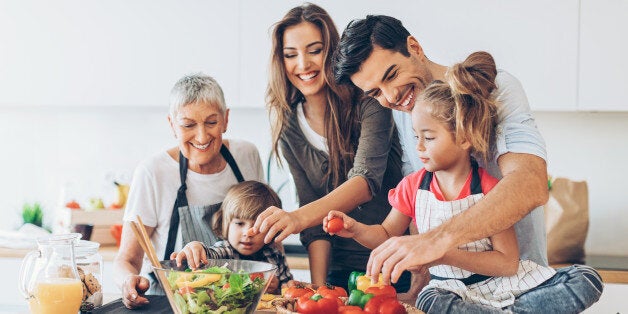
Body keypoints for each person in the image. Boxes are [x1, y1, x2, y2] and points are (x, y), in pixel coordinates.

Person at [325, 51, 601, 313]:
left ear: (464, 137)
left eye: (429, 138)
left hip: (507, 286)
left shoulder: (492, 190)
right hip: (453, 291)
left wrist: (443, 252)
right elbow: (386, 235)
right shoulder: (413, 187)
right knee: (432, 300)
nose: (418, 147)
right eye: (416, 136)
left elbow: (506, 263)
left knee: (586, 279)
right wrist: (356, 229)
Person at [333, 14, 548, 283]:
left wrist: (438, 242)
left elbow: (530, 183)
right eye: (375, 93)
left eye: (392, 75)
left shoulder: (498, 89)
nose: (390, 97)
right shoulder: (405, 110)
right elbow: (418, 208)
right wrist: (418, 287)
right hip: (450, 289)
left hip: (521, 282)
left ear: (414, 47)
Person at [251, 3, 410, 292]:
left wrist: (295, 218)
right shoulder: (289, 126)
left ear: (332, 52)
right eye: (291, 55)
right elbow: (313, 222)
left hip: (392, 264)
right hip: (337, 271)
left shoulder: (370, 101)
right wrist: (318, 288)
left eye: (314, 50)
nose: (303, 64)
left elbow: (365, 181)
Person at [113, 73, 264, 309]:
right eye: (188, 125)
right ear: (172, 125)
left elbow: (266, 232)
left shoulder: (246, 156)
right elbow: (127, 259)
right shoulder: (153, 173)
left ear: (226, 119)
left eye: (211, 122)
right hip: (171, 304)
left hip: (236, 303)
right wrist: (127, 282)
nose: (202, 136)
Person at [171, 180, 293, 295]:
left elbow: (289, 288)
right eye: (239, 224)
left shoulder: (275, 254)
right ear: (225, 224)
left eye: (258, 227)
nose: (248, 233)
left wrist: (278, 287)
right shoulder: (225, 250)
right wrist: (196, 247)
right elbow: (209, 255)